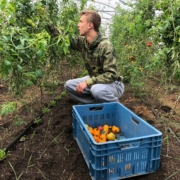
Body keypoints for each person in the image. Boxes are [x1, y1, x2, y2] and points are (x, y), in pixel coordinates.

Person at [64, 10, 124, 104]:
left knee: (97, 90)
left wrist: (87, 82)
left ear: (90, 25)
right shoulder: (83, 42)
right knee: (69, 85)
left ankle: (115, 107)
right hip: (96, 79)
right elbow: (66, 40)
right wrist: (49, 24)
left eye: (81, 21)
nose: (78, 25)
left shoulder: (105, 45)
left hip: (113, 84)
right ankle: (97, 102)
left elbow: (112, 74)